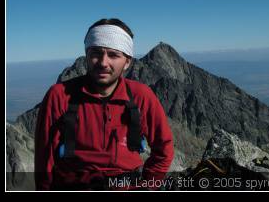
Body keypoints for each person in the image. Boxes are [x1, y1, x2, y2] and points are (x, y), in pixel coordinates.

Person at [34, 18, 174, 190]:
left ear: (127, 62)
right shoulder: (59, 96)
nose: (103, 62)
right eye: (96, 53)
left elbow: (164, 148)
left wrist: (148, 186)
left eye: (113, 55)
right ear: (86, 55)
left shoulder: (141, 96)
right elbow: (44, 158)